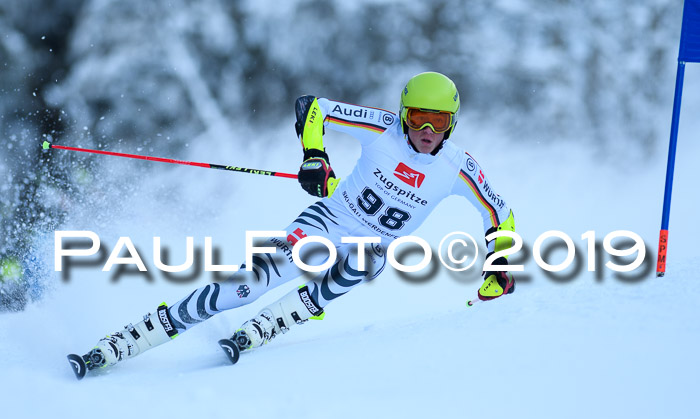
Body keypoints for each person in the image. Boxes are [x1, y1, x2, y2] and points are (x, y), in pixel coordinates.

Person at [70, 72, 516, 376]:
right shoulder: (382, 128)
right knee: (247, 285)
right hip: (328, 220)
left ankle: (287, 315)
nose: (426, 130)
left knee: (365, 258)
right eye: (418, 117)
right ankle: (138, 335)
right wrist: (315, 157)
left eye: (438, 122)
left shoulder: (459, 169)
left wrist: (498, 263)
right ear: (404, 113)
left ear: (451, 125)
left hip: (372, 246)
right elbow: (313, 107)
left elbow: (500, 213)